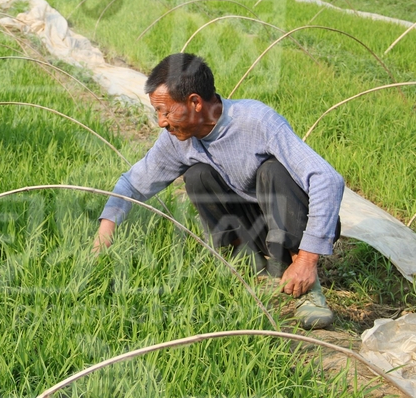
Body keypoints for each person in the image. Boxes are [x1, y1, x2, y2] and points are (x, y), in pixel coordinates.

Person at [94, 53, 343, 329]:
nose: (161, 122)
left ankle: (306, 286)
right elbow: (132, 183)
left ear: (195, 103)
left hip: (294, 221)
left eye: (165, 111)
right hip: (257, 226)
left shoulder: (257, 121)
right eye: (158, 112)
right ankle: (249, 260)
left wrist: (309, 258)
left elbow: (327, 178)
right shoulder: (177, 141)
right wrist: (104, 235)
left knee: (272, 171)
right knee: (198, 175)